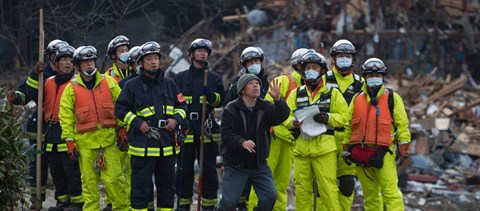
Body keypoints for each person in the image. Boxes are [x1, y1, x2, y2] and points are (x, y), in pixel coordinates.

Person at [114, 41, 187, 210]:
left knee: (167, 189)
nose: (154, 62)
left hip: (167, 146)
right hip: (142, 146)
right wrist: (137, 123)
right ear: (140, 63)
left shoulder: (170, 84)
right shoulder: (131, 86)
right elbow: (120, 109)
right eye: (149, 59)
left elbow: (182, 106)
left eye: (156, 58)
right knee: (140, 189)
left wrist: (176, 119)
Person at [59, 45, 129, 211]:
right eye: (85, 62)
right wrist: (69, 142)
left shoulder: (109, 82)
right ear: (77, 65)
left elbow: (121, 106)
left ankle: (122, 209)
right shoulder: (71, 88)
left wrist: (122, 129)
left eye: (91, 61)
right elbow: (66, 117)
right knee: (89, 184)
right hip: (85, 144)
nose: (89, 64)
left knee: (115, 179)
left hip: (108, 141)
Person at [6, 39, 69, 210]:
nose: (61, 59)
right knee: (38, 167)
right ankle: (37, 201)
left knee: (62, 169)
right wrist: (16, 96)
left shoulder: (70, 73)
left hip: (64, 129)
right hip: (41, 128)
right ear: (49, 56)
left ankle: (64, 201)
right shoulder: (42, 72)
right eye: (55, 55)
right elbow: (25, 93)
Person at [342, 58, 411, 211]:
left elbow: (402, 126)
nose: (374, 78)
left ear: (382, 77)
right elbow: (349, 126)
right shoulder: (357, 99)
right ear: (365, 77)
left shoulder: (392, 98)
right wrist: (346, 148)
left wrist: (404, 147)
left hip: (384, 153)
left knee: (390, 193)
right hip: (361, 154)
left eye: (377, 75)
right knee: (370, 195)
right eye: (370, 75)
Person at [284, 50, 348, 210]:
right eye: (308, 67)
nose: (311, 70)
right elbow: (284, 117)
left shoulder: (332, 94)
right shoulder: (295, 94)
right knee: (302, 193)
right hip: (301, 151)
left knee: (328, 191)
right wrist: (293, 123)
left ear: (322, 71)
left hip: (324, 151)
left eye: (315, 67)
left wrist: (328, 117)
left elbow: (344, 117)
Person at [217, 74, 290, 211]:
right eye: (251, 83)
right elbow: (226, 135)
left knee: (270, 197)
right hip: (235, 165)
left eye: (257, 83)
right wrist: (242, 142)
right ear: (242, 90)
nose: (256, 85)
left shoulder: (265, 106)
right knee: (229, 202)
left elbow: (281, 116)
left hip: (259, 164)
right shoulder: (231, 109)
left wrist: (278, 100)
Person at [247, 48, 307, 211]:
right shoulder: (284, 80)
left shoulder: (309, 89)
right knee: (262, 181)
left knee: (281, 184)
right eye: (305, 65)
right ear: (297, 66)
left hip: (290, 141)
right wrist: (289, 123)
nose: (309, 69)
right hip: (273, 139)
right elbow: (267, 109)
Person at [26, 45, 84, 211]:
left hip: (69, 130)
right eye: (63, 60)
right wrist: (34, 74)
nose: (67, 63)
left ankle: (76, 202)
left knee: (71, 169)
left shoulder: (78, 83)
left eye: (70, 60)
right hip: (50, 131)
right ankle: (62, 201)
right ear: (56, 63)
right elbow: (30, 95)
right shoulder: (47, 82)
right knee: (56, 170)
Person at [174, 38, 224, 211]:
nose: (203, 53)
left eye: (206, 51)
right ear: (191, 54)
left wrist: (211, 96)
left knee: (209, 171)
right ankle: (183, 205)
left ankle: (209, 206)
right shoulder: (180, 79)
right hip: (186, 130)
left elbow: (221, 101)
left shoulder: (214, 78)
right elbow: (175, 103)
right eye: (199, 50)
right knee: (184, 170)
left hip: (206, 131)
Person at [321, 39, 363, 210]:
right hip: (326, 137)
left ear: (353, 59)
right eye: (340, 56)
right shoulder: (323, 80)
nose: (344, 59)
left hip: (349, 140)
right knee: (325, 185)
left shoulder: (361, 83)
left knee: (347, 185)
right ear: (333, 58)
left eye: (347, 56)